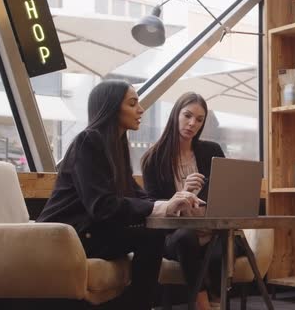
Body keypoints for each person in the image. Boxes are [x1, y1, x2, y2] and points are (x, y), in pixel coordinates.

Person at [37, 80, 202, 310]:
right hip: (67, 237)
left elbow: (136, 195)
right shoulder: (89, 141)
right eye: (132, 103)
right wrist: (160, 207)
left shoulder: (115, 146)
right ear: (112, 107)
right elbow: (102, 205)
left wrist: (172, 202)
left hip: (90, 231)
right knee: (150, 236)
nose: (141, 110)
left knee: (153, 234)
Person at [141, 92, 242, 310]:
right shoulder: (153, 159)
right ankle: (203, 304)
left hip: (211, 230)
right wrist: (181, 195)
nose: (192, 124)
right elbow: (151, 205)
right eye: (187, 115)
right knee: (187, 238)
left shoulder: (211, 151)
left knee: (225, 243)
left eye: (199, 119)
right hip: (175, 235)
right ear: (175, 114)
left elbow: (226, 192)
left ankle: (217, 301)